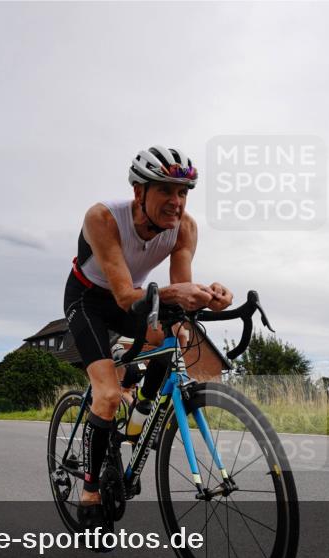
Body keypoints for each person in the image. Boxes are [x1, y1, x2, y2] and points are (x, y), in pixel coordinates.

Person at [63, 145, 233, 530]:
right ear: (139, 192)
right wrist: (176, 295)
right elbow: (123, 294)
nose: (177, 202)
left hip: (139, 301)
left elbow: (180, 289)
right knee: (106, 395)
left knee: (177, 332)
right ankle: (89, 492)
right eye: (166, 191)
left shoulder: (184, 227)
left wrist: (215, 298)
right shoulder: (103, 217)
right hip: (90, 299)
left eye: (184, 192)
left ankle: (139, 412)